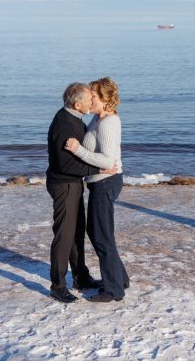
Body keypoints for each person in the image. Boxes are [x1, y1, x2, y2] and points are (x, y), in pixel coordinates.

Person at [45, 82, 116, 303]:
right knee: (64, 236)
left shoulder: (72, 118)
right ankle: (57, 286)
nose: (92, 102)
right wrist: (98, 168)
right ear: (77, 104)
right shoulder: (66, 124)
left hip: (72, 184)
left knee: (77, 233)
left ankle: (80, 277)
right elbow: (66, 165)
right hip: (64, 184)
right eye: (89, 100)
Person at [65, 77, 129, 302]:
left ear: (103, 99)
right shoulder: (97, 119)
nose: (88, 98)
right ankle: (120, 278)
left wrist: (77, 150)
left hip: (105, 182)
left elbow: (107, 160)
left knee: (100, 234)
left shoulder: (108, 123)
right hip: (99, 182)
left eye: (93, 95)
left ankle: (114, 290)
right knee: (99, 232)